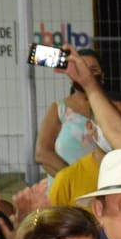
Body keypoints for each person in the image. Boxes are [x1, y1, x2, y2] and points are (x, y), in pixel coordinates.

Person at [48, 54, 121, 208]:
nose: (117, 127)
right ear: (90, 127)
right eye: (108, 121)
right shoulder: (67, 180)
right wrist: (74, 178)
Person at [35, 48, 110, 177]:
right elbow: (42, 153)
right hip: (67, 190)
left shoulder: (111, 109)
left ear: (102, 75)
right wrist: (75, 179)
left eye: (93, 70)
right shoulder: (59, 109)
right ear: (71, 76)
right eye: (81, 70)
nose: (87, 75)